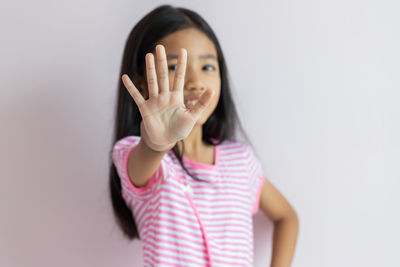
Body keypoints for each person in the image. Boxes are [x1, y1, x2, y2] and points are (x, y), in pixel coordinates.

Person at [109, 5, 299, 267]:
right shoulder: (140, 156)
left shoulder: (240, 162)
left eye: (208, 67)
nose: (195, 81)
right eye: (176, 66)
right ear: (143, 83)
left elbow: (286, 217)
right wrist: (157, 143)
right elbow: (143, 159)